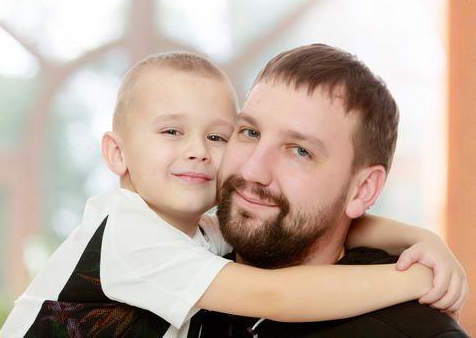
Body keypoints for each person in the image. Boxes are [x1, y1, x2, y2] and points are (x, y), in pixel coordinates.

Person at [0, 51, 465, 338]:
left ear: (362, 189)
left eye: (219, 137)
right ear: (117, 154)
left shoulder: (197, 237)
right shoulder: (130, 237)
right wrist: (416, 279)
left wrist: (420, 241)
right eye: (171, 131)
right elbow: (276, 296)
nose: (198, 152)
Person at [199, 43, 470, 337]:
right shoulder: (178, 262)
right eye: (250, 132)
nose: (252, 171)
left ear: (362, 190)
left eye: (300, 151)